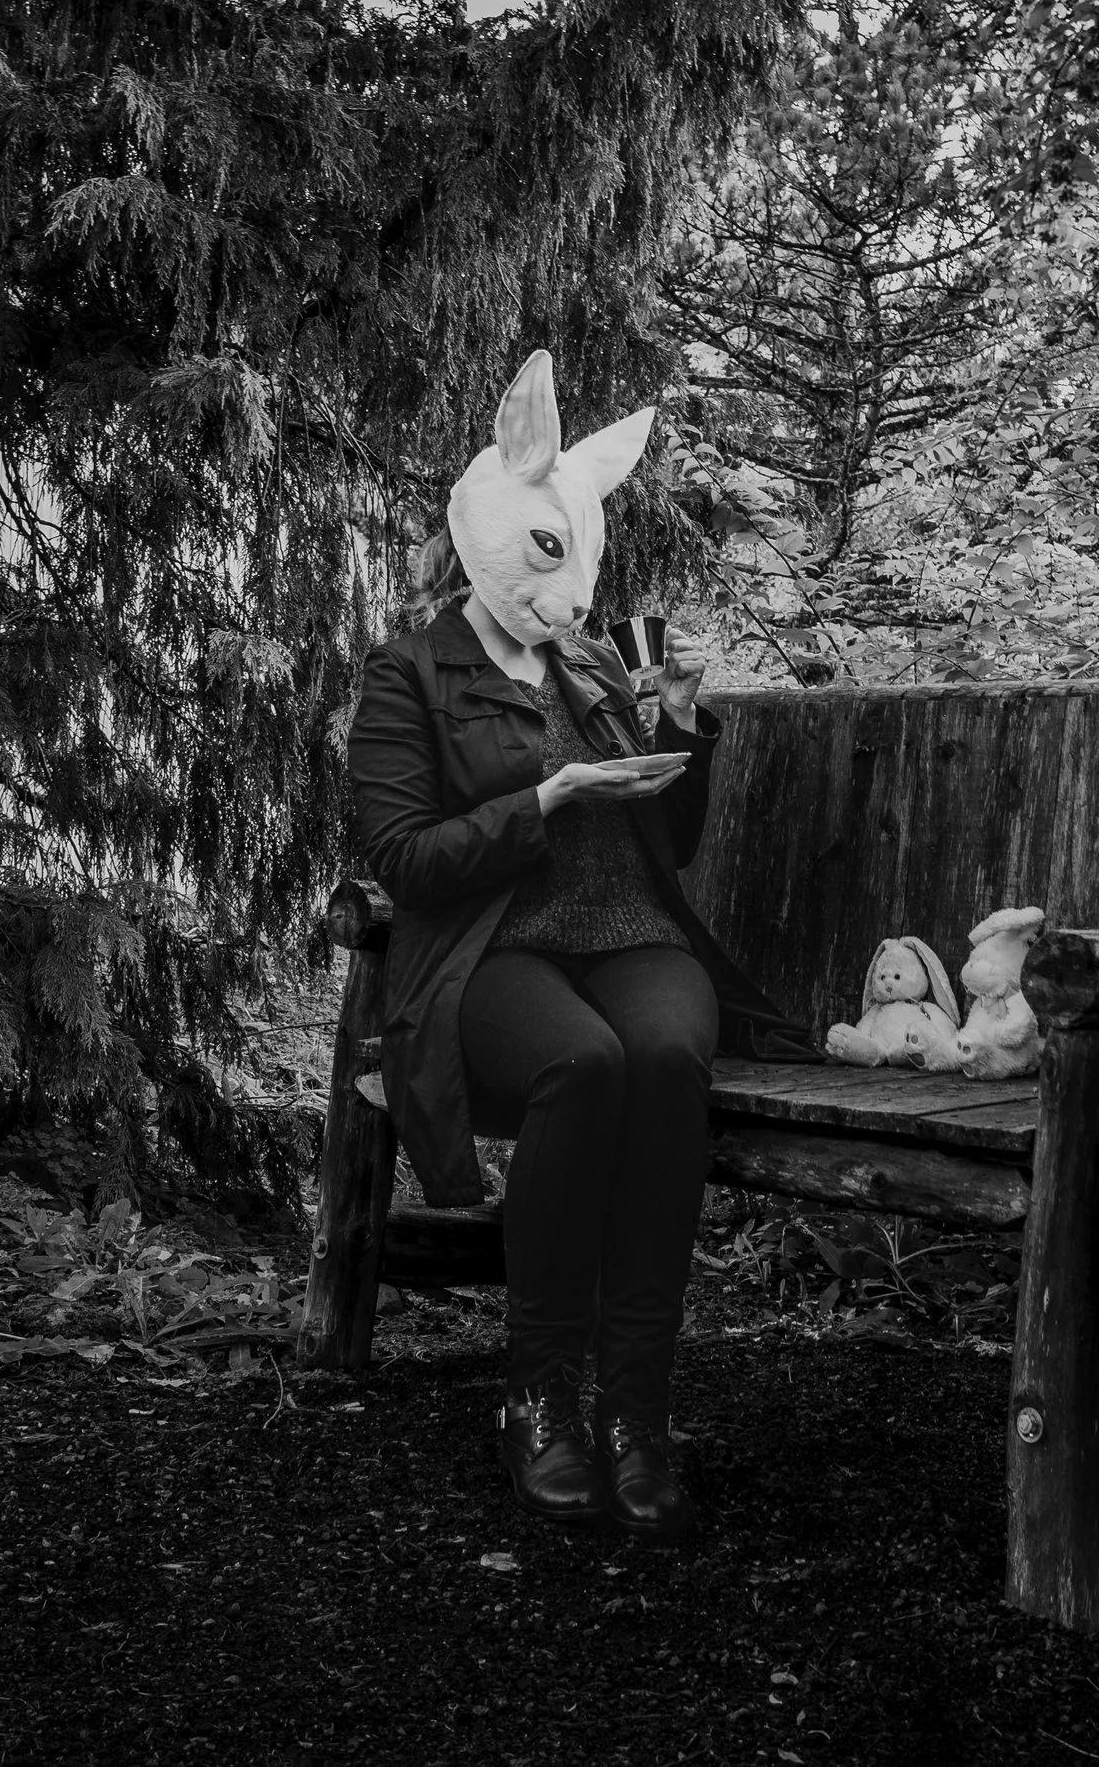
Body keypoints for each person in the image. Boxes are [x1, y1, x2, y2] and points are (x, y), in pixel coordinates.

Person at [344, 352, 801, 1546]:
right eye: (551, 554)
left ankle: (638, 1411)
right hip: (493, 951)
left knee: (660, 1059)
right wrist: (548, 795)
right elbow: (406, 858)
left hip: (634, 934)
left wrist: (677, 737)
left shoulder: (593, 657)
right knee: (584, 1066)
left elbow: (676, 844)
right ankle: (540, 1394)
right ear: (493, 531)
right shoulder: (410, 673)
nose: (571, 589)